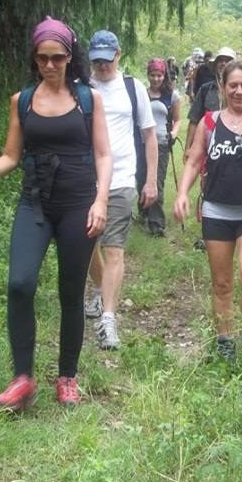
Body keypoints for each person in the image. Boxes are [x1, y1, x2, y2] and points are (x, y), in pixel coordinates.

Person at [0, 17, 112, 409]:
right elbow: (11, 155)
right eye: (42, 57)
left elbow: (103, 154)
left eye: (57, 57)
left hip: (79, 205)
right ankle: (23, 380)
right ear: (34, 57)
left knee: (70, 292)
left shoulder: (87, 99)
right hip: (35, 203)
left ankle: (67, 376)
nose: (49, 65)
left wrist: (100, 201)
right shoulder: (22, 100)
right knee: (20, 283)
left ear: (69, 56)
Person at [174, 58, 242, 367]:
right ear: (223, 87)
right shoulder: (210, 123)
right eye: (233, 85)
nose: (239, 91)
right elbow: (195, 161)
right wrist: (183, 193)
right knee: (221, 283)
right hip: (217, 211)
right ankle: (224, 344)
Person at [84, 30, 159, 350]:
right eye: (96, 60)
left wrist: (151, 179)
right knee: (88, 247)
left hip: (122, 179)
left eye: (107, 58)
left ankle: (109, 321)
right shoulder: (82, 89)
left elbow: (149, 136)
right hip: (85, 179)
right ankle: (100, 291)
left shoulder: (133, 88)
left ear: (118, 55)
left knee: (114, 249)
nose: (102, 65)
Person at [143, 57, 182, 236]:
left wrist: (174, 133)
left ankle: (157, 223)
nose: (156, 79)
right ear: (148, 75)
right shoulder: (142, 93)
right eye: (153, 75)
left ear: (164, 75)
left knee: (156, 181)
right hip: (141, 143)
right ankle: (144, 209)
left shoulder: (172, 96)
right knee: (141, 178)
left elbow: (177, 119)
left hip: (162, 143)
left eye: (159, 75)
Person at [184, 46, 235, 154]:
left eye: (228, 61)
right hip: (209, 144)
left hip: (235, 144)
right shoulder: (205, 90)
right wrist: (188, 148)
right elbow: (194, 119)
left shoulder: (241, 90)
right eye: (220, 61)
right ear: (215, 65)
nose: (223, 64)